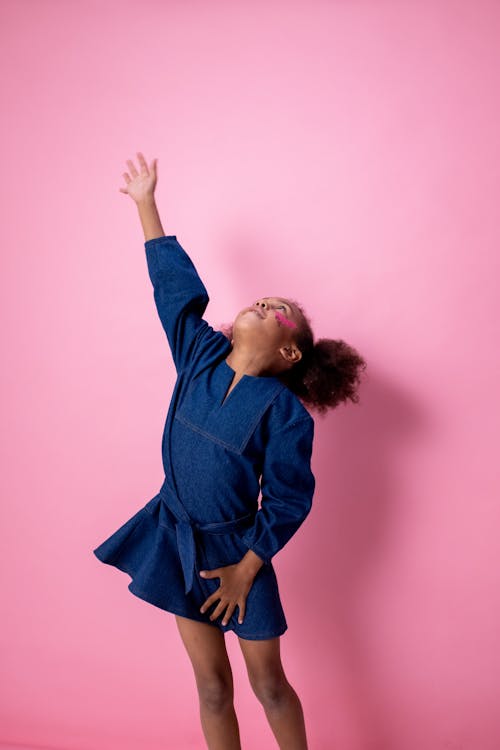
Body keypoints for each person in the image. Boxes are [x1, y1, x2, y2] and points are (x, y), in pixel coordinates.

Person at [93, 152, 367, 749]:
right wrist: (146, 205)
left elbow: (291, 499)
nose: (265, 306)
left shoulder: (286, 413)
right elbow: (174, 292)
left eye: (280, 313)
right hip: (177, 538)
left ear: (289, 354)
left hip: (240, 556)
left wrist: (246, 570)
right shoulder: (199, 355)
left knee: (267, 684)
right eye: (264, 300)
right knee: (213, 688)